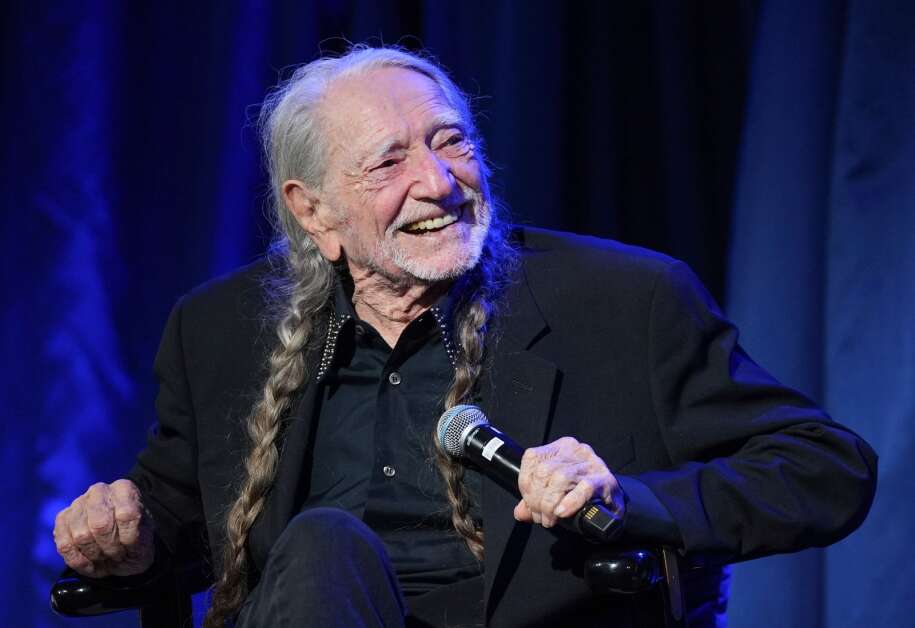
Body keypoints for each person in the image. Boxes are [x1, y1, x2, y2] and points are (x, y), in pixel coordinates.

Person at [52, 46, 877, 628]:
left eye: (452, 142)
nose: (439, 183)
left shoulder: (625, 301)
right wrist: (126, 537)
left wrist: (634, 499)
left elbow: (823, 469)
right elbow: (182, 522)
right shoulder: (220, 328)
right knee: (325, 547)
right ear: (313, 213)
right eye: (388, 163)